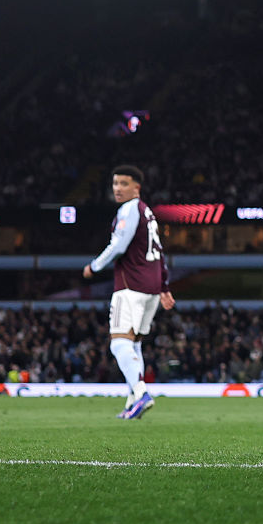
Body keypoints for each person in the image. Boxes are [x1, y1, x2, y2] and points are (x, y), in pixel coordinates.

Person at [83, 164, 176, 419]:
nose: (118, 189)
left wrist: (94, 266)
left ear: (137, 187)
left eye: (124, 184)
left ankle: (142, 392)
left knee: (118, 343)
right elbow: (159, 252)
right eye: (115, 183)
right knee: (134, 345)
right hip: (152, 290)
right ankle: (132, 402)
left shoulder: (129, 209)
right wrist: (164, 287)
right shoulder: (148, 213)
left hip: (130, 286)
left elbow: (118, 246)